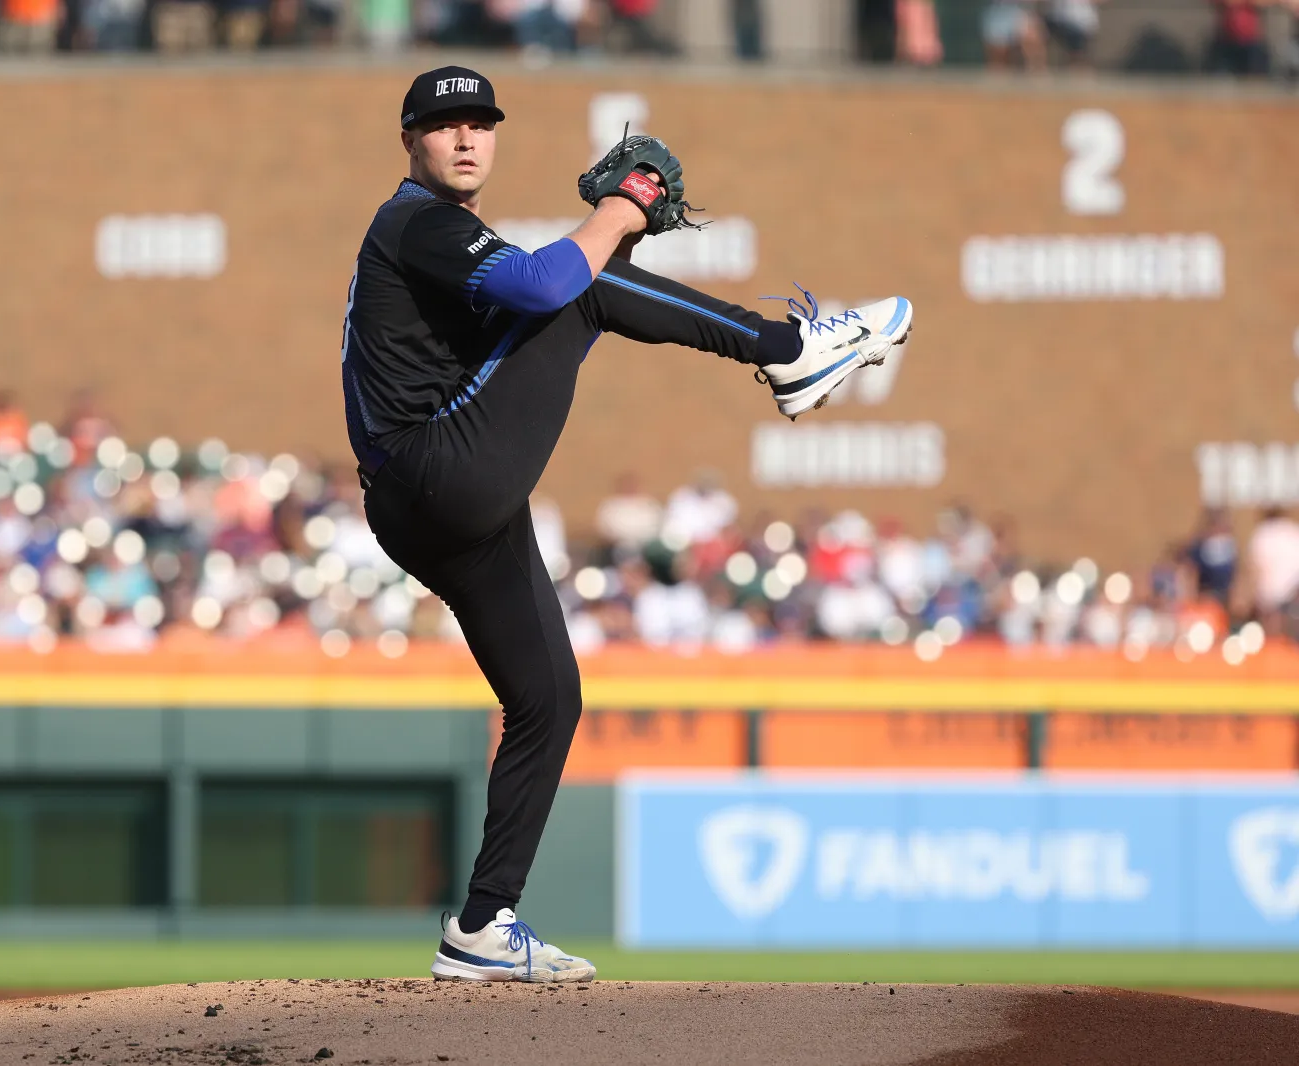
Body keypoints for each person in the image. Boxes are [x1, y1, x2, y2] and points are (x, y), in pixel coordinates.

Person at [340, 65, 911, 982]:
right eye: (444, 125)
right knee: (577, 285)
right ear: (408, 139)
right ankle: (792, 350)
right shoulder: (420, 220)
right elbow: (539, 289)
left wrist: (616, 239)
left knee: (549, 699)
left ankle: (482, 928)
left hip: (439, 504)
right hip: (435, 470)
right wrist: (620, 214)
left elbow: (533, 289)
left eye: (480, 123)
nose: (465, 138)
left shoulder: (449, 234)